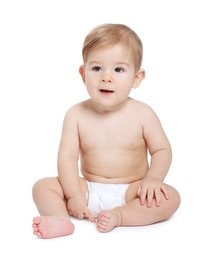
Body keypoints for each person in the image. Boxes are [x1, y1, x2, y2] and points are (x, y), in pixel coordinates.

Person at [32, 23, 181, 239]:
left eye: (118, 69)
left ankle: (120, 216)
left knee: (171, 198)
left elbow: (162, 150)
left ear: (137, 78)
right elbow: (67, 158)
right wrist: (74, 195)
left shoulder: (143, 114)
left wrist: (154, 179)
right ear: (83, 74)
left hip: (132, 190)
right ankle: (61, 220)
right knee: (42, 187)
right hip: (87, 188)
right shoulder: (75, 114)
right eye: (97, 68)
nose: (106, 77)